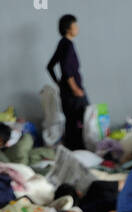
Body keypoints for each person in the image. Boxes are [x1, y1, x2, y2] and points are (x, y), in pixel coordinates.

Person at [47, 13, 87, 151]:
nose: (77, 28)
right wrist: (75, 88)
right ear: (68, 28)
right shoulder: (68, 45)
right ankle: (78, 149)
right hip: (72, 92)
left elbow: (50, 66)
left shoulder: (62, 43)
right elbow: (67, 70)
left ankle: (71, 149)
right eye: (75, 25)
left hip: (65, 92)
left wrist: (59, 83)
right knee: (80, 120)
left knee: (71, 122)